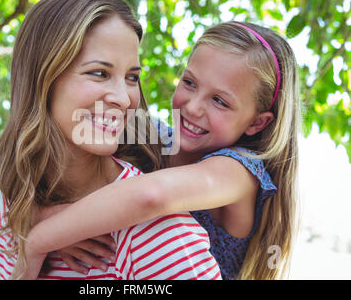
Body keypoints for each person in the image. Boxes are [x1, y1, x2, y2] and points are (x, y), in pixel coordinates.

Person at [24, 21, 301, 280]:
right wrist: (43, 212)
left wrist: (41, 237)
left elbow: (151, 195)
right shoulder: (151, 136)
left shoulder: (240, 172)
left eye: (219, 101)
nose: (192, 107)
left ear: (257, 122)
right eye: (190, 83)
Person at [0, 0, 221, 280]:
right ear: (43, 76)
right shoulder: (11, 195)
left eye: (132, 78)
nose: (123, 99)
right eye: (99, 73)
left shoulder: (154, 229)